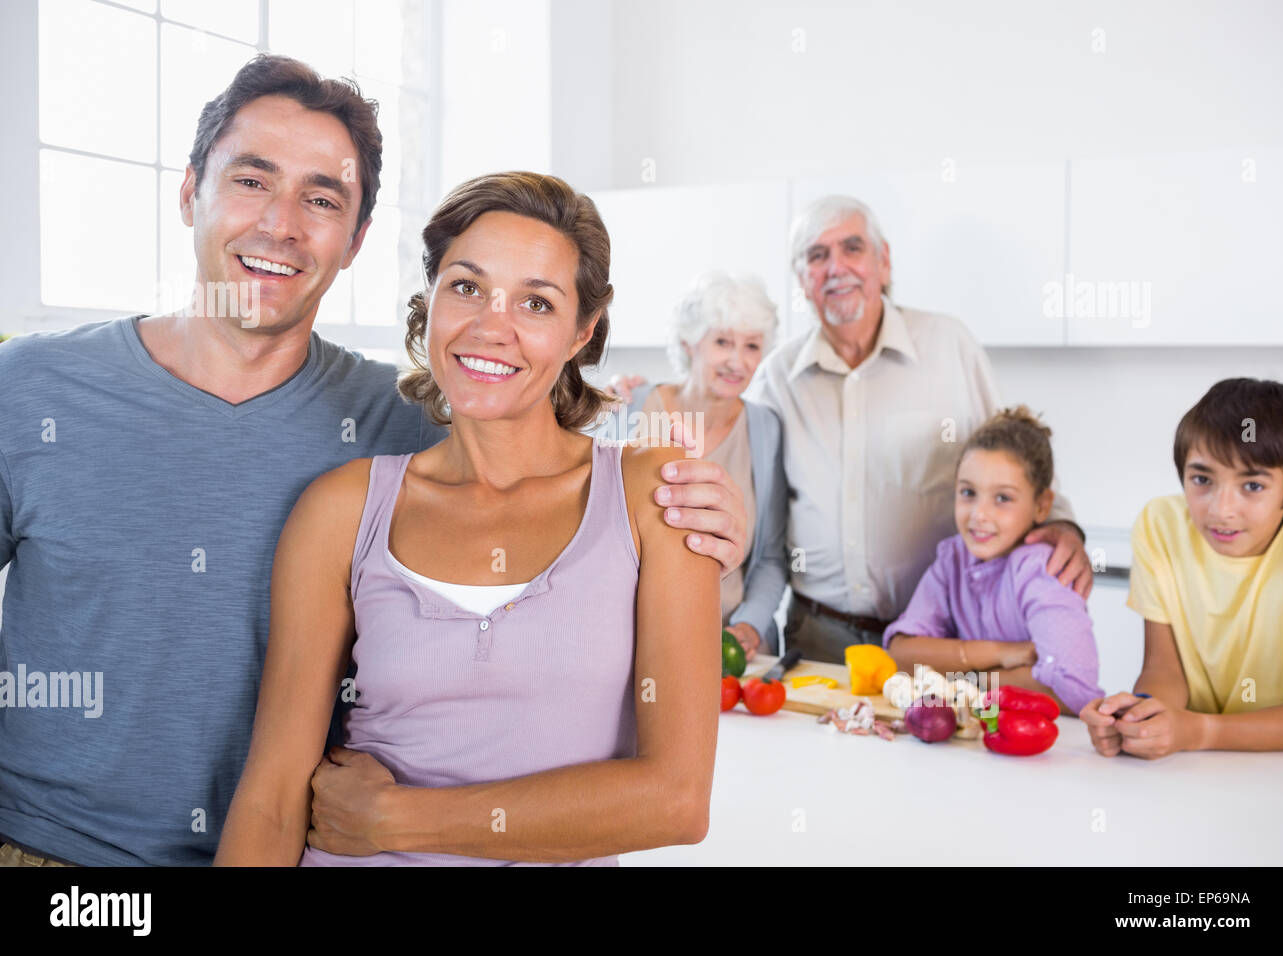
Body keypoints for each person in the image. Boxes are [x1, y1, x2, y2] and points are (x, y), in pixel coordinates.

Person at [0, 56, 746, 868]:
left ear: (355, 241)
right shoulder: (31, 387)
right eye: (252, 180)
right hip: (54, 857)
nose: (281, 224)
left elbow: (531, 460)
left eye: (321, 199)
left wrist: (710, 527)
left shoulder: (399, 422)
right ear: (189, 192)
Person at [214, 172, 719, 866]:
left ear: (582, 333)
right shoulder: (343, 508)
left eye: (536, 303)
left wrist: (396, 820)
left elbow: (676, 801)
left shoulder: (651, 498)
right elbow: (272, 797)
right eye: (466, 286)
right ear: (430, 303)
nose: (490, 326)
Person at [747, 195, 1092, 662]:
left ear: (883, 262)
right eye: (817, 255)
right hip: (818, 636)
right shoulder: (775, 378)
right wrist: (657, 399)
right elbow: (740, 472)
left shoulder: (949, 346)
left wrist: (1062, 524)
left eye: (852, 248)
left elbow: (1016, 453)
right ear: (802, 281)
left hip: (941, 636)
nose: (836, 267)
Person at [1081, 378, 1283, 758]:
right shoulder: (1160, 525)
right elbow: (1164, 670)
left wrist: (1201, 731)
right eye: (1202, 479)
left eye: (1252, 486)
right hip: (1194, 769)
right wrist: (1142, 716)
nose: (1221, 509)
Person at [595, 271, 787, 657]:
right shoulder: (629, 408)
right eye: (722, 342)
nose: (737, 360)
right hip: (635, 645)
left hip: (732, 652)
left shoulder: (766, 428)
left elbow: (769, 555)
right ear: (689, 342)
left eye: (751, 346)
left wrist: (749, 625)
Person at [882, 407, 1105, 715]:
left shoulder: (1042, 568)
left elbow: (1072, 690)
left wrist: (962, 679)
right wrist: (1001, 653)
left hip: (1037, 748)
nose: (979, 515)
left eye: (1003, 498)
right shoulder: (953, 559)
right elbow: (901, 653)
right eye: (968, 492)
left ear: (1042, 506)